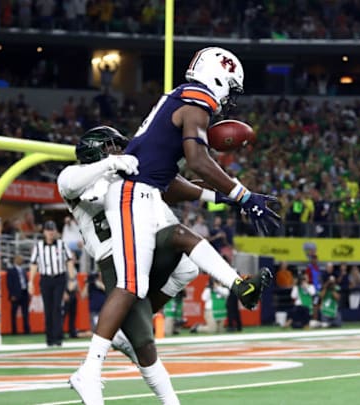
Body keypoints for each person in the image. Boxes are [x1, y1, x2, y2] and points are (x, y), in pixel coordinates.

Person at [69, 47, 279, 405]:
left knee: (184, 259)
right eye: (230, 87)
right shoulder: (196, 99)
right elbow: (198, 159)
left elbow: (169, 177)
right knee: (131, 283)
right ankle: (89, 370)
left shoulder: (183, 102)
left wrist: (222, 198)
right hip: (133, 195)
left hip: (148, 193)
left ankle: (238, 286)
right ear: (218, 79)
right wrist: (243, 195)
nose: (228, 98)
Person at [27, 220, 76, 347]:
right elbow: (33, 264)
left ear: (55, 231)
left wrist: (72, 279)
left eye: (52, 230)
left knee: (57, 308)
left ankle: (58, 338)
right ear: (44, 232)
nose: (50, 233)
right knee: (48, 309)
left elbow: (69, 262)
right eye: (48, 230)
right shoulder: (38, 246)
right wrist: (30, 282)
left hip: (59, 278)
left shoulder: (62, 244)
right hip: (45, 279)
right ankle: (50, 338)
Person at [6, 254, 30, 335]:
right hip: (16, 294)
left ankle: (27, 330)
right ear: (15, 260)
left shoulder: (23, 270)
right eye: (19, 259)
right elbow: (9, 283)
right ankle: (14, 330)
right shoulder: (11, 270)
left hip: (24, 292)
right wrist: (12, 294)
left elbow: (26, 281)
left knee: (25, 313)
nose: (21, 260)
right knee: (14, 313)